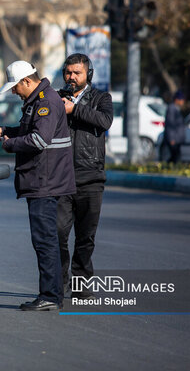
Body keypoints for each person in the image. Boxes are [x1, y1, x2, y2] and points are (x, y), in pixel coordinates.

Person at [0, 60, 76, 311]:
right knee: (46, 239)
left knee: (45, 240)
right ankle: (51, 294)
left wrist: (7, 143)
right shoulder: (38, 100)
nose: (14, 92)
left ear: (27, 81)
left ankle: (49, 296)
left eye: (15, 87)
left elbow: (38, 139)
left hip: (44, 181)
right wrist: (5, 130)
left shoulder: (46, 101)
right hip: (42, 180)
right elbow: (29, 130)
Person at [56, 53, 113, 298]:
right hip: (61, 178)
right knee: (58, 233)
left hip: (91, 178)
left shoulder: (101, 98)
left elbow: (105, 121)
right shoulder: (56, 98)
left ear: (87, 75)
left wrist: (75, 110)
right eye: (68, 72)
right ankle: (58, 282)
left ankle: (80, 285)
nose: (71, 77)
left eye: (77, 73)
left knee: (85, 237)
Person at [163, 90, 186, 163]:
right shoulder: (172, 109)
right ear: (177, 100)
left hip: (177, 139)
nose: (183, 102)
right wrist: (171, 138)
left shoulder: (176, 109)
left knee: (175, 157)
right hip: (174, 139)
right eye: (182, 100)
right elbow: (170, 124)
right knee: (175, 157)